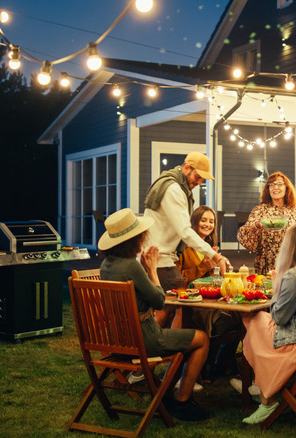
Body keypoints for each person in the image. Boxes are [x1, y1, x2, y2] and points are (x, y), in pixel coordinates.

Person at [98, 208, 210, 422]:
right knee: (202, 339)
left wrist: (144, 271)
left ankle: (165, 395)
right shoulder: (131, 266)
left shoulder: (107, 265)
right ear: (135, 239)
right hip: (143, 340)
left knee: (184, 342)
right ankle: (182, 402)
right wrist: (151, 270)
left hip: (117, 340)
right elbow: (160, 302)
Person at [239, 223, 296, 424]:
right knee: (258, 321)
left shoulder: (294, 274)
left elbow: (280, 317)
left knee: (253, 320)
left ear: (287, 245)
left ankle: (266, 396)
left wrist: (276, 289)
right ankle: (262, 383)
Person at [143, 152, 230, 327]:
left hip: (163, 256)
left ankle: (165, 347)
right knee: (175, 307)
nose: (199, 182)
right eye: (198, 177)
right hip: (160, 259)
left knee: (175, 309)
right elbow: (185, 231)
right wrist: (216, 256)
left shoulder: (176, 187)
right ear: (187, 168)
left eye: (202, 180)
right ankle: (151, 345)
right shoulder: (173, 189)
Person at [177, 206, 243, 381]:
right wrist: (203, 267)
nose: (208, 224)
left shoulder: (209, 247)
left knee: (241, 318)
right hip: (191, 304)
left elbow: (209, 279)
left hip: (209, 299)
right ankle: (206, 365)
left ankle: (219, 364)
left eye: (211, 221)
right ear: (194, 221)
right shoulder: (184, 246)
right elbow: (178, 279)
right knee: (226, 319)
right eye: (203, 220)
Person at [237, 171, 296, 275]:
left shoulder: (295, 210)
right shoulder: (260, 209)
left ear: (287, 187)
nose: (275, 188)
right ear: (268, 189)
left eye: (280, 184)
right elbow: (245, 235)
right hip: (266, 261)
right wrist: (256, 225)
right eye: (272, 185)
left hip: (290, 260)